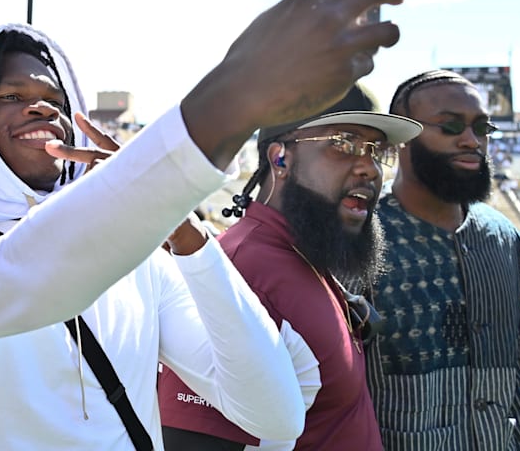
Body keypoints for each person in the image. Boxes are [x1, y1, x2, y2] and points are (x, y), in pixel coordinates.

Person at [0, 0, 406, 449]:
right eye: (11, 96)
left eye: (55, 99)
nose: (41, 109)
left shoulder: (138, 262)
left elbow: (274, 413)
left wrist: (187, 232)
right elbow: (21, 280)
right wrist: (235, 97)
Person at [157, 85, 422, 450]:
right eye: (345, 143)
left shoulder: (303, 252)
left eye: (377, 151)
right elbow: (191, 441)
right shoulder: (241, 271)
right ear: (280, 159)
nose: (369, 168)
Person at [362, 70, 520, 449]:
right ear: (401, 140)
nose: (472, 140)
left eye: (482, 128)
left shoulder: (502, 236)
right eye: (451, 126)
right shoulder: (358, 240)